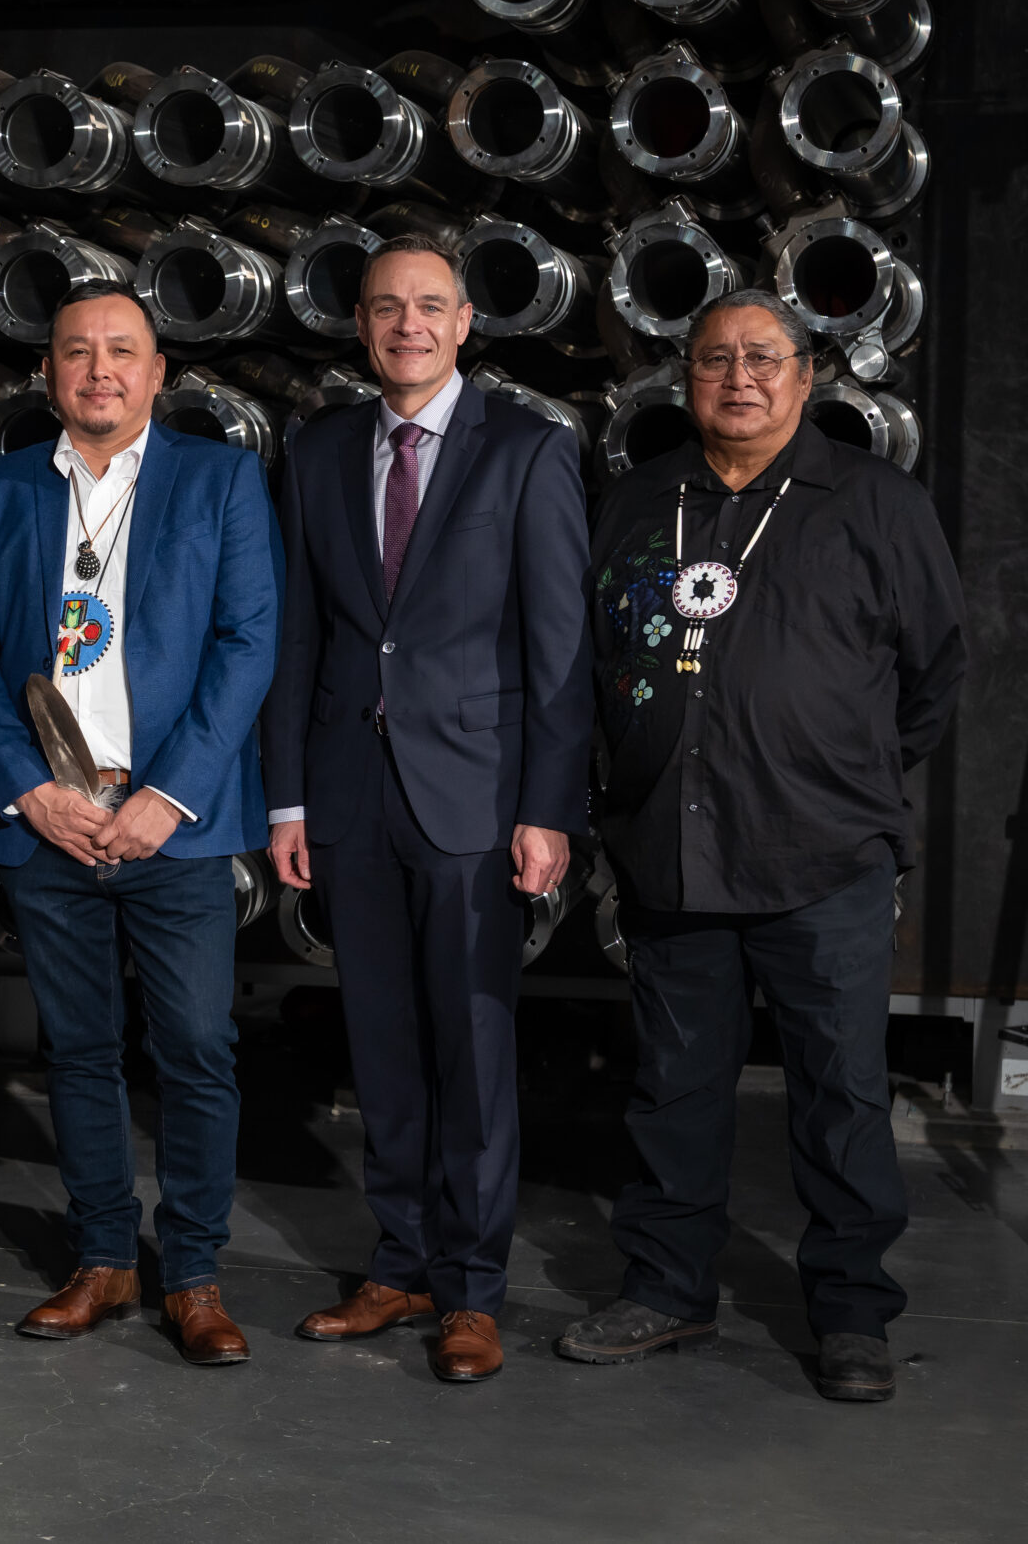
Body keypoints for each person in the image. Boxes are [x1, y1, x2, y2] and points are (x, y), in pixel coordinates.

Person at [564, 290, 963, 1402]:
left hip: (820, 856)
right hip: (670, 853)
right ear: (682, 378)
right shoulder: (639, 503)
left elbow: (933, 673)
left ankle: (847, 1314)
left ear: (804, 375)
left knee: (838, 1092)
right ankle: (667, 1288)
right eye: (712, 361)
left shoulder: (874, 503)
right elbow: (588, 663)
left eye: (761, 359)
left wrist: (845, 781)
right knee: (672, 1087)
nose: (737, 379)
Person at [259, 234, 592, 1384]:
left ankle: (473, 1290)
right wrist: (288, 796)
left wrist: (547, 807)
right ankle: (397, 1264)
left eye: (430, 307)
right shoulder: (317, 450)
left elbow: (559, 651)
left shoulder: (528, 452)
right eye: (386, 307)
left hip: (476, 801)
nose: (408, 325)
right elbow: (301, 632)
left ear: (465, 326)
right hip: (350, 797)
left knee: (474, 1050)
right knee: (383, 1049)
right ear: (360, 326)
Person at [0, 280, 281, 1365]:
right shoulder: (0, 491)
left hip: (169, 820)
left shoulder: (219, 480)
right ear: (48, 373)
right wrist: (27, 788)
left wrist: (163, 796)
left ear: (157, 374)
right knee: (80, 1049)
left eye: (120, 351)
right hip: (50, 820)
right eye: (76, 352)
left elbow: (246, 644)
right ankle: (102, 1259)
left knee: (192, 1047)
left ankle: (192, 1272)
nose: (98, 370)